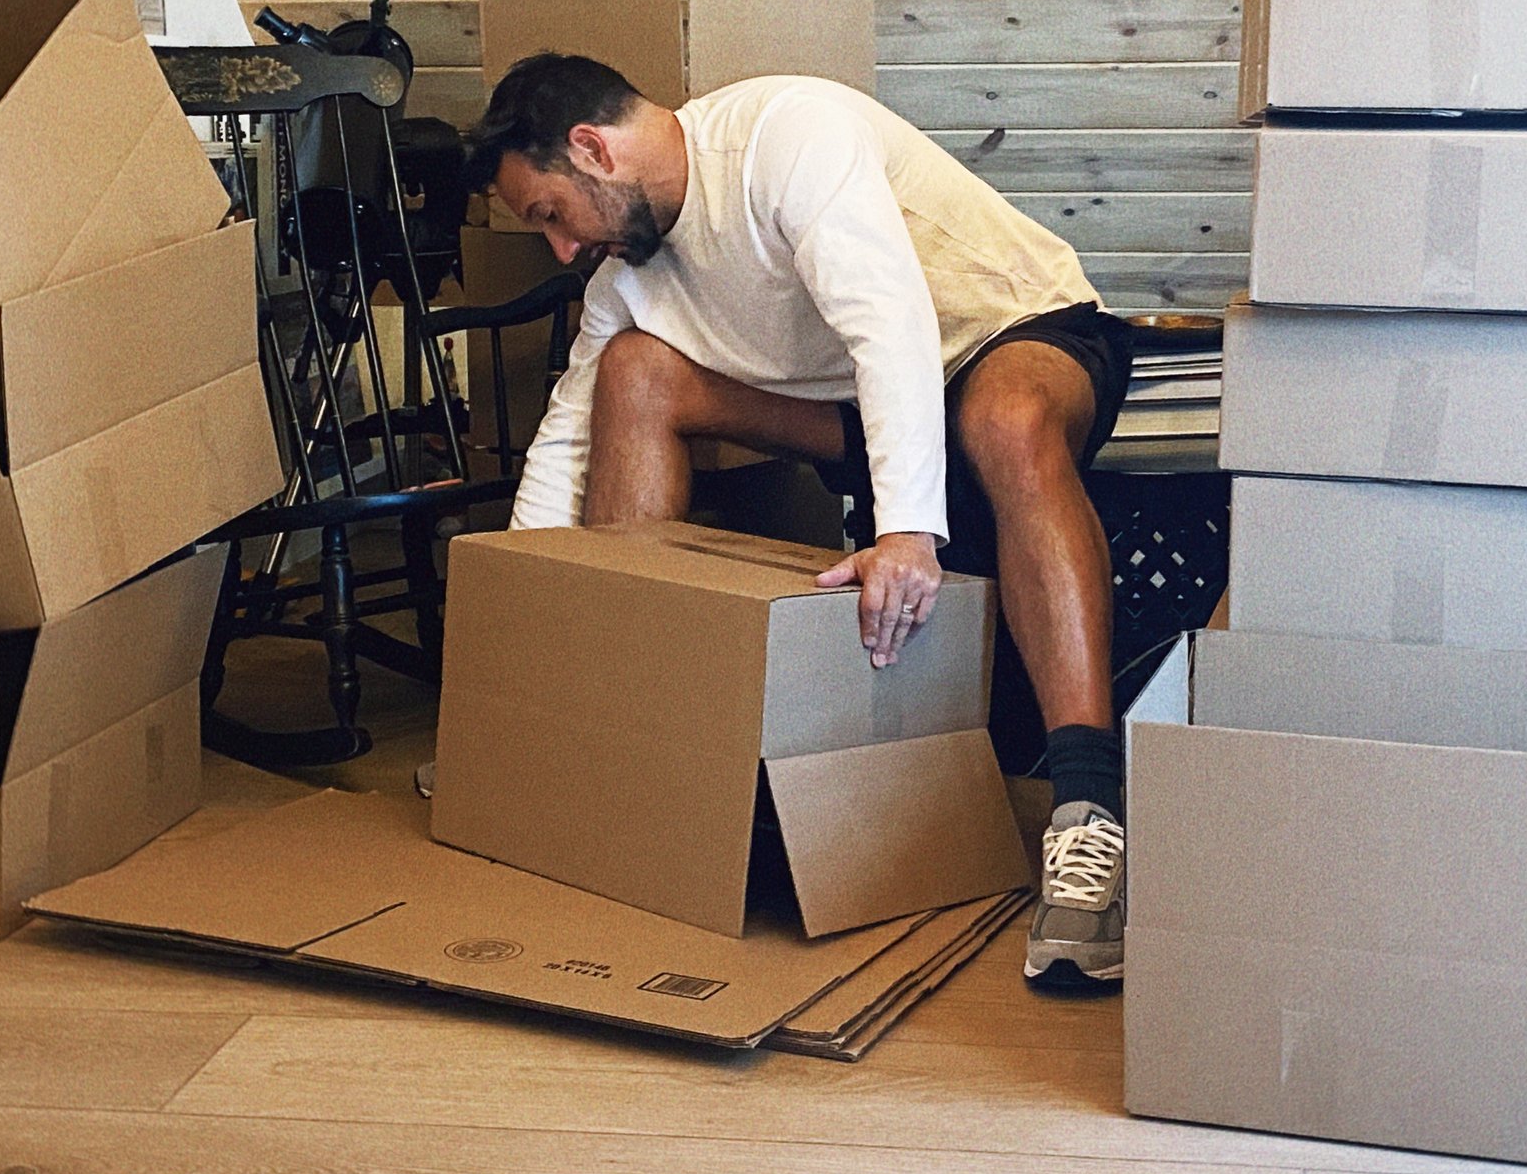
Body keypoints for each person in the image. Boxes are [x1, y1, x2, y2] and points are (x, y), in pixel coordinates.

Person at [462, 53, 1135, 988]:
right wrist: (517, 673)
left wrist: (905, 531)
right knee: (632, 372)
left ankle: (1087, 812)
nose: (563, 251)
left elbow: (891, 323)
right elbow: (565, 443)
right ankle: (617, 737)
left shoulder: (786, 135)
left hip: (1009, 336)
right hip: (863, 407)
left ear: (591, 149)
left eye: (550, 215)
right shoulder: (626, 276)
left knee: (1003, 420)